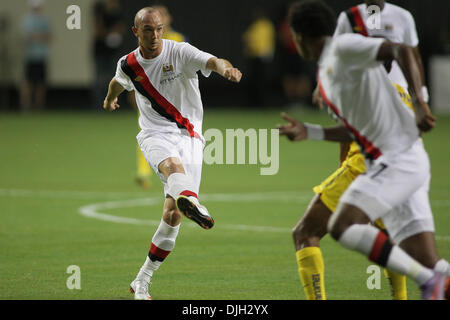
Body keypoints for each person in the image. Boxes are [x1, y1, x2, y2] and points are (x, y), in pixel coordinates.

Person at [277, 0, 449, 300]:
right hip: (397, 161)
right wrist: (311, 132)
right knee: (431, 261)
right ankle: (435, 280)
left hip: (398, 159)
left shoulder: (343, 48)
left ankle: (428, 281)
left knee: (342, 226)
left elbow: (399, 48)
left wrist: (420, 104)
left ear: (301, 37)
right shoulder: (327, 71)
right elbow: (357, 130)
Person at [103, 7, 242, 300]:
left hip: (191, 138)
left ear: (163, 29)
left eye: (158, 29)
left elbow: (214, 61)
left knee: (172, 215)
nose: (154, 36)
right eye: (147, 30)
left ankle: (141, 281)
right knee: (172, 168)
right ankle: (192, 200)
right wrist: (109, 98)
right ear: (135, 32)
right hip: (154, 134)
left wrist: (226, 69)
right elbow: (118, 81)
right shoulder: (129, 64)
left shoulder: (180, 52)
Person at [133, 5, 187, 189]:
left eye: (164, 14)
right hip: (152, 98)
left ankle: (176, 169)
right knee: (148, 132)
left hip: (174, 101)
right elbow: (137, 67)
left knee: (178, 137)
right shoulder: (148, 42)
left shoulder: (178, 40)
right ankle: (144, 172)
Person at [92, 0, 125, 111]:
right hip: (100, 51)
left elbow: (121, 28)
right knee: (100, 80)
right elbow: (98, 31)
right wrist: (109, 33)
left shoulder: (118, 13)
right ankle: (99, 106)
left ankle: (113, 105)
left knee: (115, 79)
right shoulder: (99, 11)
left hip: (114, 52)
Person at [20, 0, 51, 112]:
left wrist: (37, 36)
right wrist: (38, 36)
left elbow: (48, 36)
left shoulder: (45, 20)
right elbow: (26, 37)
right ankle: (26, 106)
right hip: (30, 56)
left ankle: (39, 106)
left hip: (42, 55)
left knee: (41, 83)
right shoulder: (27, 20)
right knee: (28, 82)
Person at [242, 8, 275, 107]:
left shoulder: (265, 25)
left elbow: (266, 40)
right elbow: (247, 39)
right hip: (254, 56)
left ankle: (261, 102)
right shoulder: (257, 26)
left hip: (262, 57)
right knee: (255, 81)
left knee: (260, 81)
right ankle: (255, 102)